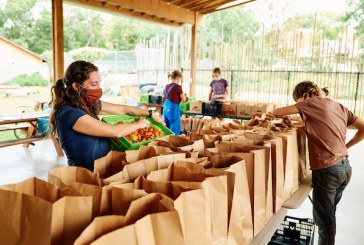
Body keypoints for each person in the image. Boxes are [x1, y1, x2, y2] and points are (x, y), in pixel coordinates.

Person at [272, 81, 364, 245]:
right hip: (344, 168)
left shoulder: (309, 103)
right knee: (329, 216)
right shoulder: (339, 106)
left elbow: (276, 112)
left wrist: (295, 108)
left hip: (328, 170)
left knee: (324, 224)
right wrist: (346, 146)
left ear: (304, 96)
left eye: (298, 101)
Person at [50, 60, 163, 172]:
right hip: (85, 176)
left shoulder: (87, 104)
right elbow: (114, 131)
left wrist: (150, 113)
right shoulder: (69, 113)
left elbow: (122, 109)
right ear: (76, 86)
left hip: (102, 169)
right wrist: (138, 124)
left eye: (99, 83)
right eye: (94, 84)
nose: (99, 88)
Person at [163, 70, 188, 135]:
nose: (178, 81)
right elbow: (184, 99)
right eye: (179, 80)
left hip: (165, 109)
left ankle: (165, 144)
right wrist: (186, 97)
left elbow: (166, 97)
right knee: (174, 132)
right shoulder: (177, 87)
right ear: (177, 78)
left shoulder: (166, 86)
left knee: (166, 130)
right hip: (173, 110)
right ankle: (173, 145)